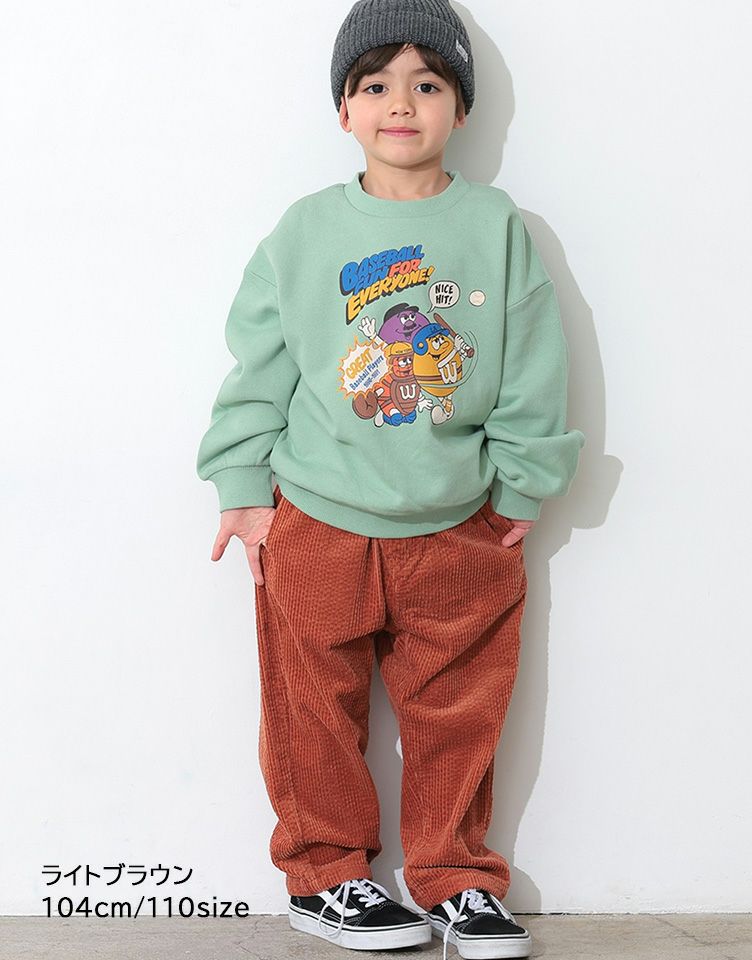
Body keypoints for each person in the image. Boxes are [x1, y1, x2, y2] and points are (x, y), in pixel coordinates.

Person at [196, 1, 585, 956]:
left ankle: (455, 879)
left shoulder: (495, 225)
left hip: (458, 523)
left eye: (427, 84)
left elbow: (535, 363)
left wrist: (523, 483)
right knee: (309, 711)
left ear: (461, 108)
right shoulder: (305, 231)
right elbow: (260, 366)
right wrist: (242, 486)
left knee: (458, 713)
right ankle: (325, 876)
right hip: (316, 516)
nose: (400, 103)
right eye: (375, 84)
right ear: (344, 110)